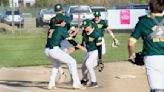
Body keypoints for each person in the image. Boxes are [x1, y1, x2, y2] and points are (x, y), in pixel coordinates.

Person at [128, 0, 164, 92]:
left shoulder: (144, 21)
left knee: (157, 89)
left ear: (150, 7)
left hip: (152, 58)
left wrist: (132, 55)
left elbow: (131, 43)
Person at [45, 14, 87, 90]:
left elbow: (66, 36)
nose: (65, 23)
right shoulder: (61, 29)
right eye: (64, 21)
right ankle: (76, 84)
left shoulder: (51, 28)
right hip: (54, 50)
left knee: (56, 65)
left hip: (47, 50)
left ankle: (51, 84)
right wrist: (81, 47)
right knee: (73, 61)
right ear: (60, 22)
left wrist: (75, 31)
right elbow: (70, 40)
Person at [49, 3, 74, 82]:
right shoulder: (66, 18)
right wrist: (71, 33)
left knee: (56, 59)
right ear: (62, 10)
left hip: (55, 41)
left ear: (55, 11)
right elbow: (71, 29)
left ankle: (62, 73)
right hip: (64, 40)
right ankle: (72, 77)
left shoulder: (52, 19)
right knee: (68, 60)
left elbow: (51, 30)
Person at [80, 19, 103, 88]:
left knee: (88, 63)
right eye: (83, 26)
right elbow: (82, 44)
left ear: (90, 26)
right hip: (88, 51)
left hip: (95, 51)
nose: (84, 28)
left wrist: (100, 59)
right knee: (83, 66)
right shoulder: (84, 33)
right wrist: (75, 48)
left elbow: (99, 47)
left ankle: (94, 82)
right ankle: (85, 79)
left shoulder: (96, 34)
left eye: (85, 26)